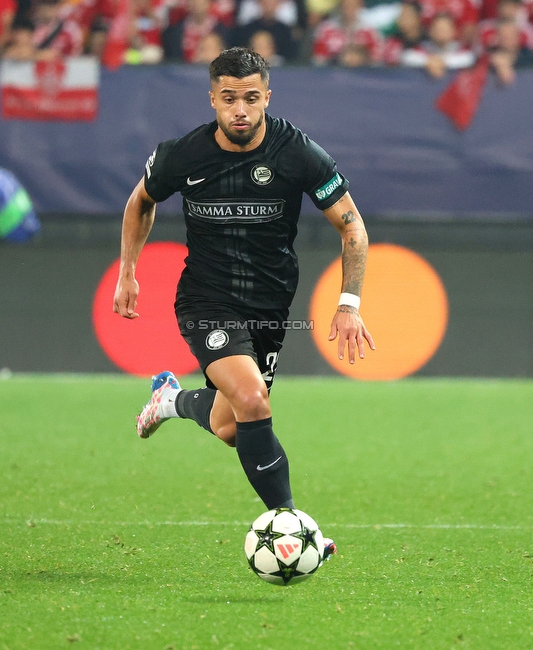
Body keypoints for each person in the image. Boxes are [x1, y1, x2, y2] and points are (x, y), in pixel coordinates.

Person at [114, 47, 374, 559]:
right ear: (212, 98)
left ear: (267, 98)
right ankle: (295, 529)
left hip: (270, 305)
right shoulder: (183, 156)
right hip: (206, 298)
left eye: (251, 99)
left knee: (232, 426)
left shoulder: (297, 153)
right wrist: (128, 270)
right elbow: (141, 200)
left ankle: (169, 400)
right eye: (229, 98)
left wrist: (349, 303)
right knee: (254, 401)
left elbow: (352, 226)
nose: (240, 110)